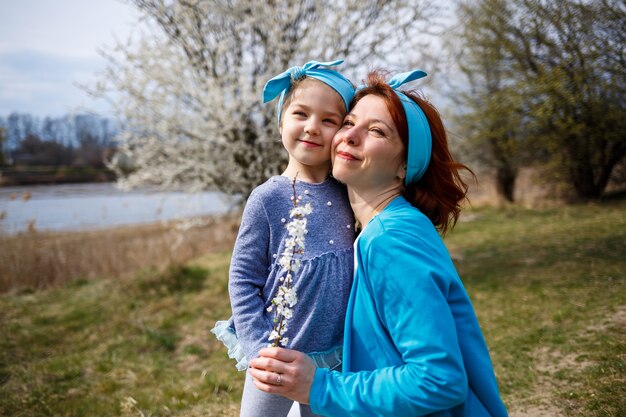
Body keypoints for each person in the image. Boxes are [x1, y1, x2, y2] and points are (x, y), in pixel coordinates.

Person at [248, 69, 509, 417]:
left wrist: (321, 386)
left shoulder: (391, 240)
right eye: (348, 122)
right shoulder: (378, 230)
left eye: (376, 131)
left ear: (404, 164)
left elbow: (439, 379)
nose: (349, 137)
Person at [211, 60, 356, 417]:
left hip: (336, 353)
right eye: (301, 114)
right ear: (280, 123)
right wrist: (260, 348)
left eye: (328, 120)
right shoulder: (267, 198)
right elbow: (243, 278)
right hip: (277, 352)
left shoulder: (350, 193)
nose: (312, 128)